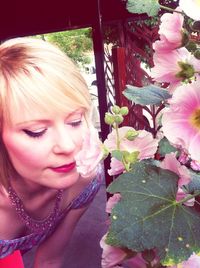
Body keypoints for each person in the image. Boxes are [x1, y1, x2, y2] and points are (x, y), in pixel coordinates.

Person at [0, 37, 103, 267]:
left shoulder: (84, 183)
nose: (67, 146)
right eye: (36, 131)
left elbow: (49, 260)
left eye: (75, 121)